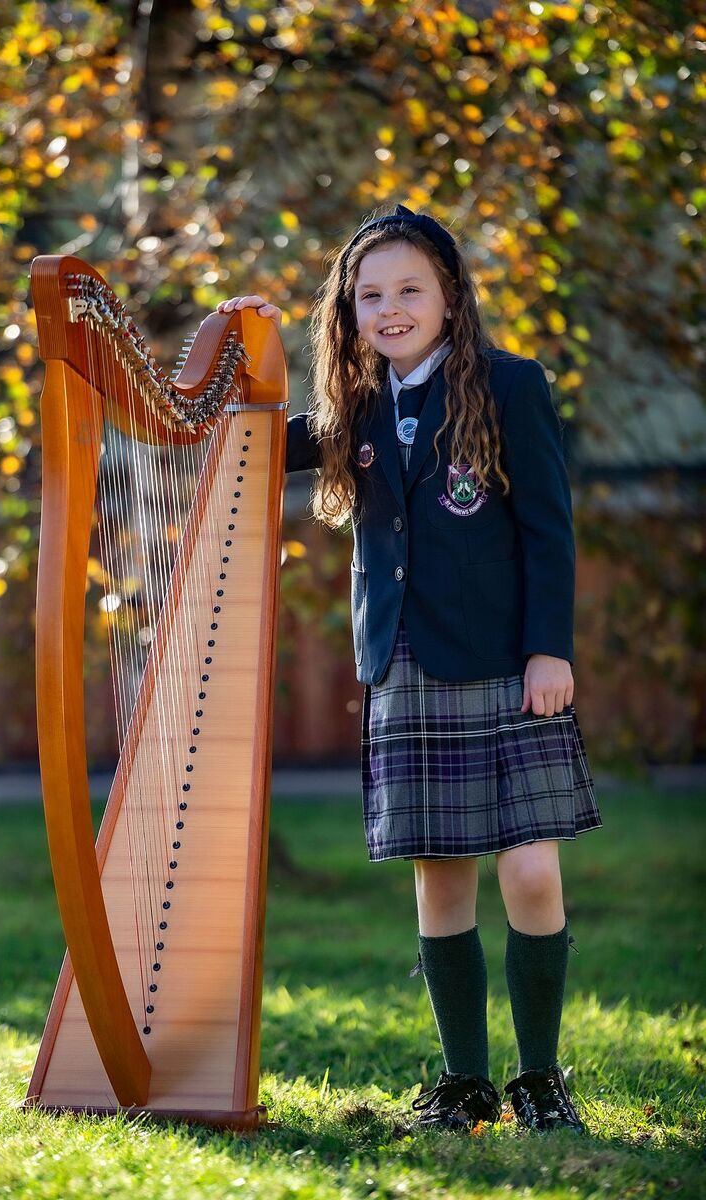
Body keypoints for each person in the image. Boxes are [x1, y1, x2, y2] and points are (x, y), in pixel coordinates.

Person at [216, 203, 603, 1135]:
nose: (389, 309)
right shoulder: (348, 408)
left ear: (449, 297)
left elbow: (548, 531)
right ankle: (466, 1081)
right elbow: (247, 447)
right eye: (368, 296)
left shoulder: (510, 387)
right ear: (348, 313)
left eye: (408, 290)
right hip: (404, 661)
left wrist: (550, 648)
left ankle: (539, 1079)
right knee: (438, 876)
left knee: (532, 874)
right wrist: (232, 358)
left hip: (509, 666)